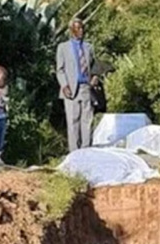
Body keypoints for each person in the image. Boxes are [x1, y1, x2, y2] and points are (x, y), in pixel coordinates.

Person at [56, 18, 99, 152]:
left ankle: (86, 150)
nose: (81, 31)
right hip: (71, 89)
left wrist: (95, 77)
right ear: (71, 30)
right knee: (73, 121)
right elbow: (60, 70)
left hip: (86, 87)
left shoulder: (88, 47)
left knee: (87, 120)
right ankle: (74, 152)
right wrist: (64, 85)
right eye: (78, 28)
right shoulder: (63, 47)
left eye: (82, 28)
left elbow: (94, 66)